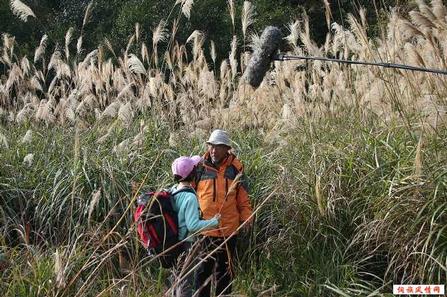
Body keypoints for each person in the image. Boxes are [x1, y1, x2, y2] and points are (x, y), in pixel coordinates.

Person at [194, 129, 253, 297]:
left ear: (227, 148)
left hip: (228, 231)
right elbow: (189, 194)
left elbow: (243, 199)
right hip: (204, 230)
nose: (213, 150)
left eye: (218, 147)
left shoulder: (236, 169)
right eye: (211, 146)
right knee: (202, 274)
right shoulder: (198, 167)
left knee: (225, 275)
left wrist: (247, 216)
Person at [169, 156, 221, 297]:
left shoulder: (173, 190)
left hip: (172, 243)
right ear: (192, 174)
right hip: (185, 244)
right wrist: (214, 222)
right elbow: (192, 226)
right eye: (195, 168)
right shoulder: (190, 197)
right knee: (186, 283)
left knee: (176, 281)